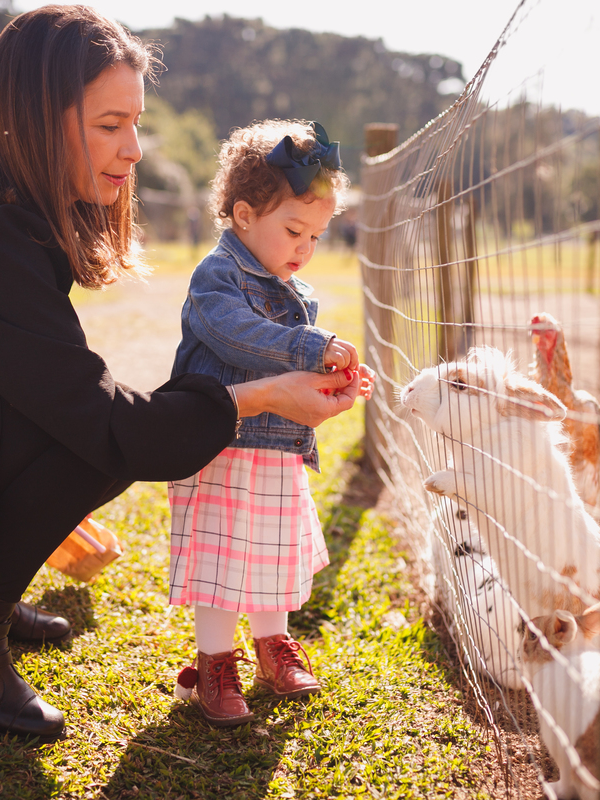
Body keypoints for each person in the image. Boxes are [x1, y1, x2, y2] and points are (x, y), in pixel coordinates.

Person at [0, 6, 361, 744]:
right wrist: (268, 394)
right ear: (38, 120)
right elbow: (110, 426)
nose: (135, 148)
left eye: (135, 122)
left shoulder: (9, 220)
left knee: (71, 415)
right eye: (110, 124)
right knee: (89, 435)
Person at [167, 120, 374, 727]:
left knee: (272, 555)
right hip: (222, 442)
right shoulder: (218, 278)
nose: (304, 247)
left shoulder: (297, 291)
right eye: (293, 230)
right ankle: (214, 661)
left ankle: (273, 649)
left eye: (316, 234)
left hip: (278, 450)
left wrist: (334, 382)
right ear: (242, 215)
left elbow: (291, 360)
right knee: (220, 561)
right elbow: (244, 338)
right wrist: (314, 350)